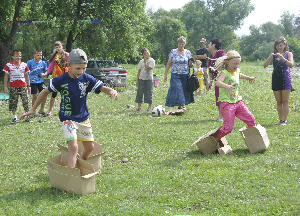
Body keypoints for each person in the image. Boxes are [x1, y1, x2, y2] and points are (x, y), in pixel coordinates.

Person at [20, 48, 118, 168]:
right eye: (78, 68)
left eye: (84, 68)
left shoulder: (86, 78)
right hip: (68, 118)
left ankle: (80, 163)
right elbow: (44, 92)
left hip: (83, 118)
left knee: (90, 147)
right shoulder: (61, 80)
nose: (81, 71)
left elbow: (103, 88)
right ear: (69, 65)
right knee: (73, 147)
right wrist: (33, 109)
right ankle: (72, 173)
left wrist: (111, 90)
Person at [213, 50, 257, 141]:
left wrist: (249, 78)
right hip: (226, 103)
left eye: (238, 64)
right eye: (234, 64)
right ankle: (212, 140)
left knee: (252, 121)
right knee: (228, 129)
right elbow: (218, 83)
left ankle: (253, 142)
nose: (236, 66)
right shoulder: (224, 73)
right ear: (227, 62)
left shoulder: (236, 71)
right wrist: (226, 86)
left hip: (237, 102)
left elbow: (239, 75)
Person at [263, 37, 294, 126]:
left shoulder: (288, 54)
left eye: (281, 45)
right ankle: (280, 120)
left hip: (285, 79)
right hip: (275, 79)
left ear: (285, 45)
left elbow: (291, 65)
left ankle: (284, 121)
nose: (279, 47)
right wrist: (269, 58)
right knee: (279, 101)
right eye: (277, 45)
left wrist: (283, 58)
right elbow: (264, 66)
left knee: (285, 100)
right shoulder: (274, 55)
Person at [164, 36, 194, 111]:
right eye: (180, 44)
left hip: (185, 74)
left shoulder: (188, 52)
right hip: (175, 74)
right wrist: (165, 75)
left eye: (182, 44)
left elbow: (191, 65)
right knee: (178, 88)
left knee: (183, 90)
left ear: (185, 44)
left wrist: (191, 64)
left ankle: (180, 105)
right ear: (177, 44)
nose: (181, 45)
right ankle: (183, 105)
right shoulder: (173, 52)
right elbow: (168, 64)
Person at [3, 49, 33, 123]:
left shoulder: (24, 65)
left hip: (23, 86)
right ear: (12, 57)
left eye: (20, 56)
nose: (18, 57)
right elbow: (6, 76)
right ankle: (14, 117)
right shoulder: (8, 65)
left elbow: (26, 76)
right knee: (13, 102)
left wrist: (29, 86)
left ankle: (27, 116)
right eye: (17, 56)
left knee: (25, 101)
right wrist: (5, 86)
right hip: (13, 86)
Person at [42, 41, 69, 116]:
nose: (58, 48)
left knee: (65, 95)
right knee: (54, 94)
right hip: (56, 78)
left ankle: (64, 110)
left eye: (59, 47)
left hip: (65, 78)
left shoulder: (67, 55)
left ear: (62, 46)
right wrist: (45, 73)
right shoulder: (54, 56)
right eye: (57, 47)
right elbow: (50, 66)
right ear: (55, 48)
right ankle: (50, 111)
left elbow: (70, 65)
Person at [207, 38, 226, 121]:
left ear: (214, 45)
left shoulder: (221, 53)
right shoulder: (211, 56)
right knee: (218, 96)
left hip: (223, 79)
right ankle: (220, 115)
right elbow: (210, 70)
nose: (208, 45)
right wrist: (210, 81)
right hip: (216, 79)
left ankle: (224, 116)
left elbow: (224, 65)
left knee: (222, 97)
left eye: (209, 43)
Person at [27, 48, 48, 117]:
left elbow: (46, 71)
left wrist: (44, 74)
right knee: (35, 96)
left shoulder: (43, 63)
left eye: (41, 55)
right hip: (33, 82)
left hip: (41, 81)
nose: (39, 56)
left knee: (44, 95)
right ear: (34, 55)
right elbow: (26, 72)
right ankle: (33, 112)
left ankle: (41, 110)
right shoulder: (30, 62)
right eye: (38, 55)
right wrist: (27, 83)